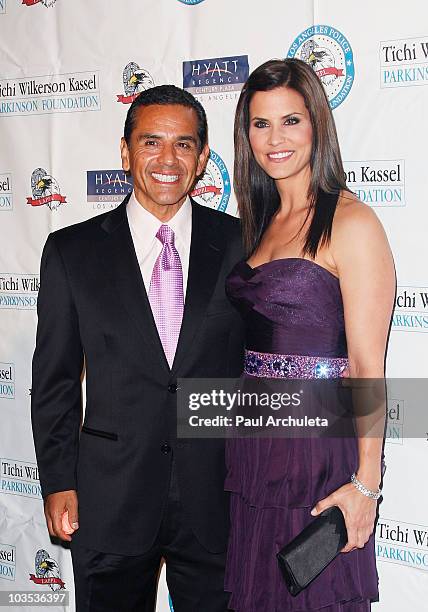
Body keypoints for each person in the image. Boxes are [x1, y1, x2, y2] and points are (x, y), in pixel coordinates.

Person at [31, 84, 244, 612]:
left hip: (217, 495)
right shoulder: (72, 252)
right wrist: (57, 481)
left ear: (201, 160)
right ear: (125, 152)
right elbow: (55, 381)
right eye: (151, 143)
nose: (167, 159)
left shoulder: (242, 244)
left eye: (184, 145)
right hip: (110, 497)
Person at [224, 59, 395, 611]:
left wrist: (367, 484)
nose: (275, 139)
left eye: (290, 121)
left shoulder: (352, 222)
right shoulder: (261, 220)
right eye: (260, 123)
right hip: (256, 446)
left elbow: (368, 366)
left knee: (313, 594)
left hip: (315, 450)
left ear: (317, 125)